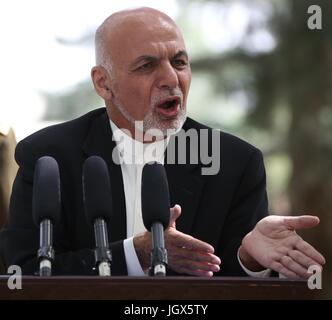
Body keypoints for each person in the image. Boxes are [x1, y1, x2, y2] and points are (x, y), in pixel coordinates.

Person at [0, 7, 325, 278]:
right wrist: (134, 255)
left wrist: (249, 258)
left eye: (179, 62)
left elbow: (232, 281)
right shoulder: (48, 156)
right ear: (103, 83)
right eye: (147, 66)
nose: (172, 79)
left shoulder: (236, 162)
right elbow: (25, 270)